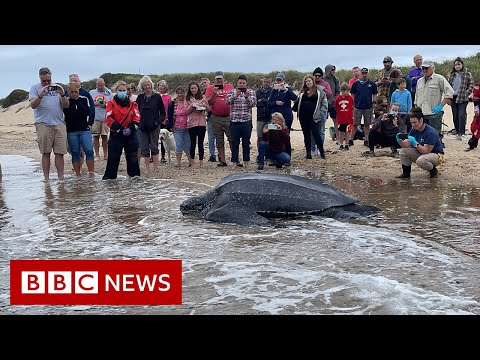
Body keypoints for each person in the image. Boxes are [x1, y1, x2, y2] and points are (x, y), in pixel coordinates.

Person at [28, 67, 69, 180]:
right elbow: (33, 105)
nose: (46, 83)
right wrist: (40, 95)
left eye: (48, 81)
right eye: (44, 81)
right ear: (40, 78)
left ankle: (61, 178)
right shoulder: (35, 88)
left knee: (59, 153)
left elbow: (66, 105)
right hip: (43, 124)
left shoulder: (57, 87)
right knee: (46, 152)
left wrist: (62, 94)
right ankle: (46, 179)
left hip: (59, 123)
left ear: (51, 78)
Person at [102, 81, 140, 180]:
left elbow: (137, 117)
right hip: (116, 135)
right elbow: (108, 118)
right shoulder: (111, 103)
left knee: (133, 159)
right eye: (120, 90)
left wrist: (130, 129)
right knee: (113, 160)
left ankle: (134, 180)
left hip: (130, 135)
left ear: (127, 91)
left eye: (124, 90)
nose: (122, 92)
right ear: (116, 91)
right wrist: (120, 129)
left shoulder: (133, 104)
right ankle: (109, 182)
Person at [395, 107, 444, 179]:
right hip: (422, 152)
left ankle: (433, 170)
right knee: (403, 151)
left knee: (421, 161)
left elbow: (426, 151)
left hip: (436, 155)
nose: (413, 125)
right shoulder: (414, 130)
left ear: (421, 120)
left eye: (415, 122)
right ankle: (406, 173)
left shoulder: (430, 133)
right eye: (411, 123)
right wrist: (399, 140)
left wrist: (415, 143)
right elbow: (406, 145)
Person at [415, 60, 454, 146]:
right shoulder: (419, 81)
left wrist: (441, 105)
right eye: (423, 68)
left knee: (435, 135)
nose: (424, 70)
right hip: (421, 112)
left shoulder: (439, 78)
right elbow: (417, 96)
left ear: (432, 68)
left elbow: (450, 91)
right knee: (422, 135)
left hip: (434, 113)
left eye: (426, 68)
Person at [63, 82, 95, 177]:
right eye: (72, 92)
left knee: (89, 150)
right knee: (75, 152)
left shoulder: (84, 99)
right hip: (71, 131)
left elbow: (88, 112)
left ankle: (91, 173)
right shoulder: (66, 102)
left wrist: (78, 101)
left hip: (84, 129)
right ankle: (77, 174)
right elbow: (66, 115)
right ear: (68, 92)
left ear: (79, 91)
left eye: (76, 92)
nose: (74, 94)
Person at [292, 74, 327, 160]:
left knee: (316, 134)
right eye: (306, 81)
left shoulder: (319, 91)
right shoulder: (302, 92)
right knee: (306, 135)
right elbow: (296, 103)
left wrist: (320, 113)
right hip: (303, 117)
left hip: (314, 117)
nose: (308, 82)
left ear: (313, 81)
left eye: (309, 81)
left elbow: (324, 104)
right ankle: (308, 153)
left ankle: (322, 151)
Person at [135, 75, 166, 175]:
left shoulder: (157, 97)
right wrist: (138, 122)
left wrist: (157, 122)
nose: (147, 87)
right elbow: (135, 111)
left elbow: (162, 113)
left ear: (151, 85)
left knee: (154, 146)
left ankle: (156, 168)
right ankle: (147, 168)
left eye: (148, 85)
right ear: (142, 86)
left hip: (154, 126)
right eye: (145, 85)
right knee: (144, 148)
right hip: (142, 126)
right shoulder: (140, 97)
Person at [226, 75, 257, 168]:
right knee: (234, 142)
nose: (242, 84)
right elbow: (227, 102)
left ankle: (246, 161)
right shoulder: (232, 91)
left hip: (246, 120)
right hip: (234, 121)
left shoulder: (251, 92)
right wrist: (235, 96)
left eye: (243, 83)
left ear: (246, 83)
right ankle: (235, 162)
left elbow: (254, 104)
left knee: (246, 142)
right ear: (237, 83)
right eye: (240, 83)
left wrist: (247, 97)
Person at [205, 71, 235, 167]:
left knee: (231, 138)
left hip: (228, 116)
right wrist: (214, 93)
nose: (219, 80)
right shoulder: (210, 88)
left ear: (223, 79)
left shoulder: (229, 87)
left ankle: (235, 158)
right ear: (215, 79)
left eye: (220, 78)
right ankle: (222, 160)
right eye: (217, 79)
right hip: (216, 117)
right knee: (219, 139)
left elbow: (234, 99)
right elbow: (208, 102)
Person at [268, 73, 297, 156]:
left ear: (284, 81)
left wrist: (286, 90)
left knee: (285, 136)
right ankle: (275, 156)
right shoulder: (273, 90)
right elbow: (269, 103)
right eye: (277, 80)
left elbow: (295, 98)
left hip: (287, 116)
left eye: (280, 80)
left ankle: (287, 156)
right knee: (274, 135)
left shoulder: (287, 89)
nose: (279, 81)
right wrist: (276, 102)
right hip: (275, 117)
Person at [166, 86, 194, 167]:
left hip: (188, 126)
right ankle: (178, 162)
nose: (179, 95)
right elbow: (170, 116)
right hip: (177, 127)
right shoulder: (172, 103)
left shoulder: (188, 102)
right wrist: (170, 126)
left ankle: (190, 161)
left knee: (188, 145)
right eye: (178, 93)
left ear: (184, 93)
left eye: (181, 93)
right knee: (178, 144)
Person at [447, 57, 474, 140]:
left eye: (459, 64)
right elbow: (448, 86)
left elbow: (471, 84)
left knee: (461, 115)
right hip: (453, 97)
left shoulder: (467, 74)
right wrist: (448, 97)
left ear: (462, 64)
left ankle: (462, 133)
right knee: (455, 115)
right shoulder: (451, 75)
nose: (457, 66)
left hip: (463, 97)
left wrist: (467, 93)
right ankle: (457, 132)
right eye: (455, 65)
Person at [350, 67, 378, 147]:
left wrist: (374, 102)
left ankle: (366, 139)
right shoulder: (356, 83)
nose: (364, 75)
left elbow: (375, 93)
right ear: (360, 74)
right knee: (355, 124)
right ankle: (351, 139)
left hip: (368, 106)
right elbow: (353, 94)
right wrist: (352, 103)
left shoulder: (371, 84)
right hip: (357, 106)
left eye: (366, 73)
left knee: (367, 124)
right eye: (363, 73)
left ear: (367, 73)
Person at [186, 81, 210, 167]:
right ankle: (192, 162)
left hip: (202, 123)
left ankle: (201, 162)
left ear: (198, 88)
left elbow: (208, 110)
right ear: (189, 89)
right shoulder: (188, 99)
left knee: (201, 143)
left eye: (195, 88)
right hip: (192, 123)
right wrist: (192, 105)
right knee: (192, 143)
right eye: (192, 88)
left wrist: (204, 103)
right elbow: (186, 111)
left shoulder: (203, 97)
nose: (193, 90)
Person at [90, 78, 114, 161]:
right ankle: (97, 155)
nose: (100, 87)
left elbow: (112, 105)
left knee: (104, 136)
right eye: (98, 85)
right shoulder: (92, 92)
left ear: (104, 84)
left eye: (102, 85)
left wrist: (105, 105)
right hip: (95, 117)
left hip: (105, 118)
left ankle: (105, 154)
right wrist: (94, 103)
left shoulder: (109, 93)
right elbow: (88, 104)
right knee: (95, 136)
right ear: (96, 84)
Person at [200, 77, 217, 162]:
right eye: (202, 83)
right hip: (208, 116)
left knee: (218, 136)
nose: (204, 84)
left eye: (205, 83)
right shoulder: (201, 94)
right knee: (211, 136)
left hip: (216, 115)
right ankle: (212, 154)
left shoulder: (213, 91)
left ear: (209, 83)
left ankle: (220, 154)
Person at [334, 82, 354, 150]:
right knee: (341, 132)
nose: (348, 93)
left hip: (348, 118)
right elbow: (336, 107)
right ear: (342, 91)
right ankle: (341, 144)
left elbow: (352, 107)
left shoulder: (350, 98)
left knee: (348, 132)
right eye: (347, 91)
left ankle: (347, 144)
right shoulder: (338, 98)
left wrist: (352, 116)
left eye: (349, 91)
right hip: (341, 119)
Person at [324, 64, 341, 143]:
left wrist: (334, 99)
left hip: (333, 103)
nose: (333, 71)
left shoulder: (336, 79)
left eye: (334, 69)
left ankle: (338, 138)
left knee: (336, 121)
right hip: (324, 104)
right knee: (322, 121)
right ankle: (322, 138)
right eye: (332, 69)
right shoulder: (322, 79)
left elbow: (338, 91)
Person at [255, 76, 273, 149]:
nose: (266, 84)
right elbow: (256, 103)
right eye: (265, 82)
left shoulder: (273, 91)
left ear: (270, 83)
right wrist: (266, 101)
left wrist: (262, 100)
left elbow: (272, 103)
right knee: (260, 136)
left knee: (271, 136)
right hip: (260, 118)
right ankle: (260, 153)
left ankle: (269, 153)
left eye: (268, 82)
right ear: (262, 82)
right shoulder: (258, 92)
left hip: (270, 119)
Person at [157, 80, 172, 163]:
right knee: (154, 138)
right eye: (160, 85)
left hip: (165, 120)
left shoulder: (168, 97)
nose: (161, 87)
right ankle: (154, 156)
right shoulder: (155, 96)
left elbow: (169, 109)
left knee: (163, 139)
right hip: (156, 120)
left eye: (163, 85)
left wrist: (168, 119)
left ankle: (163, 156)